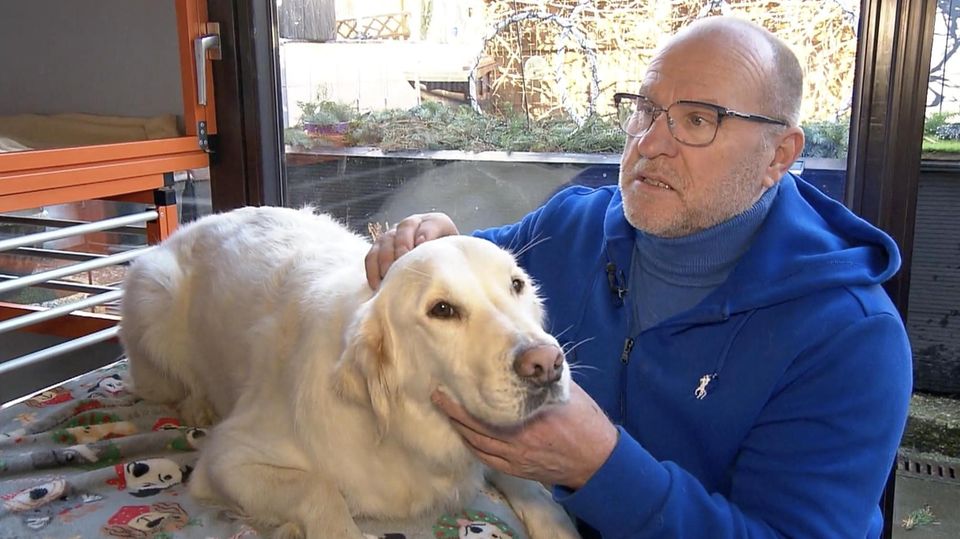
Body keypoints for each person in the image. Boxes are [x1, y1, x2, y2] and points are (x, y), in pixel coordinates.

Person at [365, 16, 912, 539]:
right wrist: (436, 242)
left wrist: (599, 467)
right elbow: (466, 276)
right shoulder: (569, 225)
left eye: (698, 120)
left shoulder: (852, 338)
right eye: (646, 110)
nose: (650, 143)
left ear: (779, 155)